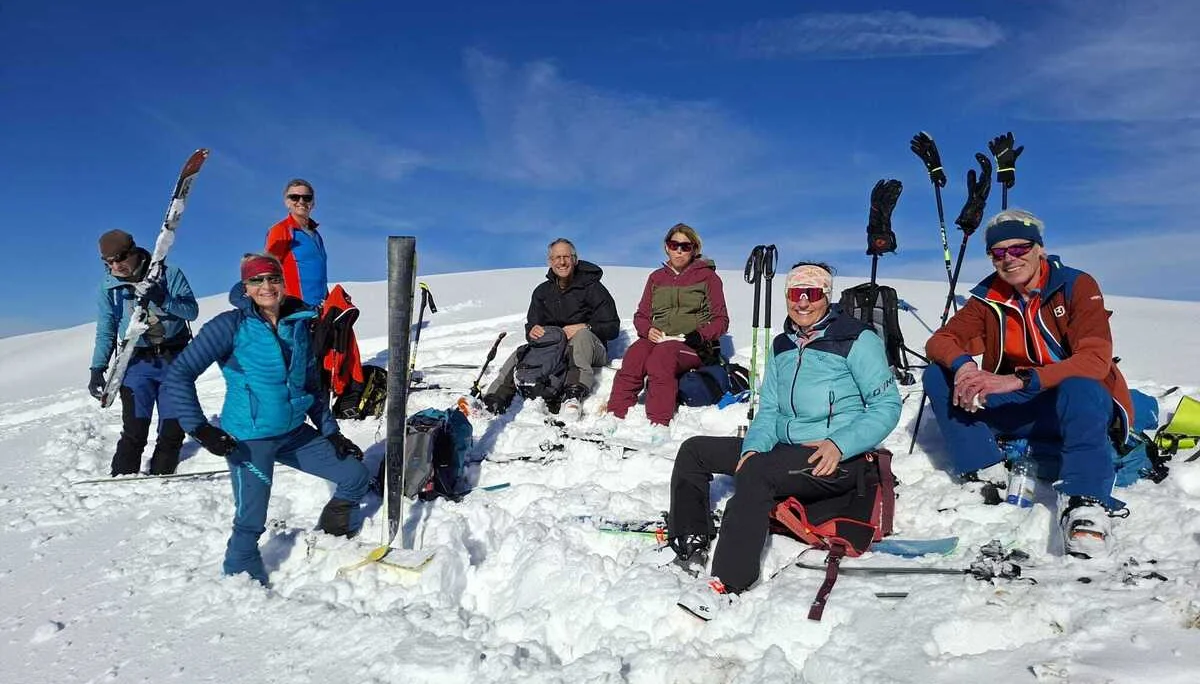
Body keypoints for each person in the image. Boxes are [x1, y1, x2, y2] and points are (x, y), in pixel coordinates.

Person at [667, 262, 901, 613]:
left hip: (833, 457)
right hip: (781, 449)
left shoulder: (857, 339)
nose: (803, 302)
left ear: (826, 296)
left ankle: (729, 582)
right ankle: (691, 536)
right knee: (695, 451)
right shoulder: (782, 345)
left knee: (757, 473)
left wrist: (841, 445)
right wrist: (753, 447)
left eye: (812, 294)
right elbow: (770, 408)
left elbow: (886, 405)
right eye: (796, 294)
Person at [922, 209, 1133, 559]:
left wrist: (1016, 380)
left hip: (1069, 403)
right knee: (937, 373)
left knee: (1080, 383)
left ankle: (1086, 503)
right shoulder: (989, 296)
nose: (1009, 259)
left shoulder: (1075, 286)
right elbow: (941, 340)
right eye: (999, 252)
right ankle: (984, 469)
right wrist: (963, 367)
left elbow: (1095, 359)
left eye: (1019, 248)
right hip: (1022, 404)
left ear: (1039, 248)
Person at [163, 253, 369, 585]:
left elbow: (312, 385)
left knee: (355, 476)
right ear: (245, 287)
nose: (266, 286)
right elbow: (180, 374)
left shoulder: (299, 323)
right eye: (256, 280)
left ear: (283, 282)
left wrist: (331, 433)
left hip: (293, 431)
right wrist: (200, 428)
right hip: (249, 437)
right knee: (251, 519)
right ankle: (240, 575)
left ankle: (332, 534)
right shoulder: (229, 326)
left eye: (272, 278)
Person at [599, 223, 729, 442]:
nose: (679, 250)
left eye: (685, 246)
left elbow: (721, 320)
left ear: (694, 249)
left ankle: (659, 421)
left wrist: (699, 335)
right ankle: (615, 413)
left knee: (662, 357)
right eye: (674, 245)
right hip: (659, 337)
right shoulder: (656, 278)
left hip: (692, 344)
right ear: (666, 248)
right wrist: (647, 330)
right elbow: (641, 315)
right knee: (636, 354)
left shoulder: (708, 278)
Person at [89, 229, 198, 476]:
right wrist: (97, 369)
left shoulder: (169, 274)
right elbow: (106, 330)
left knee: (172, 428)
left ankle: (161, 479)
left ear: (134, 252)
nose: (115, 266)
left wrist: (163, 298)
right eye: (108, 262)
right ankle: (121, 482)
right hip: (136, 362)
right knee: (135, 430)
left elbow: (191, 311)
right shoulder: (110, 289)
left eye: (119, 258)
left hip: (175, 360)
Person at [482, 238, 620, 418]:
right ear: (550, 262)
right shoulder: (542, 292)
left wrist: (584, 326)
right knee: (522, 352)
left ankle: (573, 396)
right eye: (557, 258)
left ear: (575, 259)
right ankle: (493, 400)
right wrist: (532, 331)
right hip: (558, 348)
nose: (562, 262)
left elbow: (613, 327)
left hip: (592, 348)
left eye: (566, 257)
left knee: (582, 336)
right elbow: (532, 326)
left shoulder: (593, 288)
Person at [265, 178, 328, 306]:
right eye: (294, 197)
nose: (301, 201)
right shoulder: (280, 230)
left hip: (319, 310)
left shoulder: (315, 234)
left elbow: (319, 274)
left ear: (313, 203)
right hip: (295, 311)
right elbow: (268, 269)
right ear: (287, 202)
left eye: (307, 198)